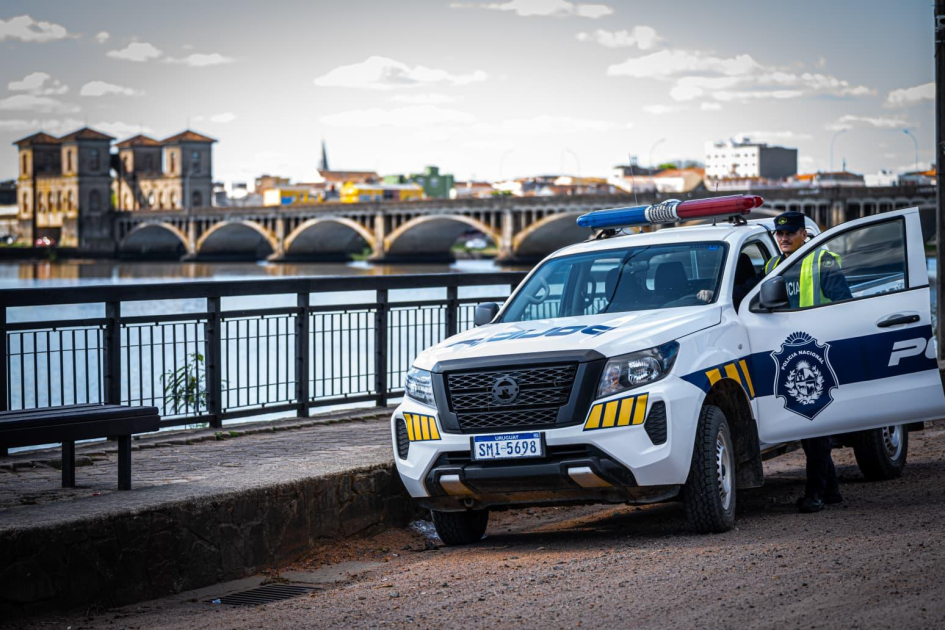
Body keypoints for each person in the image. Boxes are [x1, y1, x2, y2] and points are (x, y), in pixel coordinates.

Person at [765, 211, 848, 513]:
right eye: (779, 234)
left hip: (818, 354)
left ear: (804, 234)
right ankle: (832, 491)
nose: (784, 238)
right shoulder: (773, 265)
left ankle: (814, 494)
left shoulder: (822, 260)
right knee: (809, 423)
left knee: (814, 425)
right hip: (790, 355)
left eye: (790, 233)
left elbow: (843, 302)